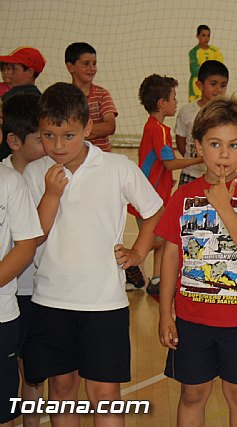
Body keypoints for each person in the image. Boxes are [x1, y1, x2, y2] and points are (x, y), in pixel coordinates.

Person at [21, 82, 163, 427]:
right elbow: (33, 237)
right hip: (51, 299)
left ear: (87, 129)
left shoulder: (117, 166)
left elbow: (155, 211)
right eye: (48, 136)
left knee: (104, 392)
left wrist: (139, 251)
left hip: (103, 302)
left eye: (68, 135)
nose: (57, 146)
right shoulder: (35, 173)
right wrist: (51, 195)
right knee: (62, 387)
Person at [157, 96, 237, 427]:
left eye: (234, 144)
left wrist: (223, 206)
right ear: (198, 146)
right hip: (192, 319)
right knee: (193, 395)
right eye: (215, 144)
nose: (224, 154)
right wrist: (166, 313)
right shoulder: (183, 196)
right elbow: (170, 255)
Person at [132, 74, 204, 295]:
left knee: (161, 239)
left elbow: (158, 163)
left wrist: (164, 178)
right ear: (162, 103)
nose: (176, 102)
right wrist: (200, 159)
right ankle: (131, 264)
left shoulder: (153, 126)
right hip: (148, 197)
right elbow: (169, 162)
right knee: (158, 239)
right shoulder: (159, 130)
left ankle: (157, 279)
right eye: (173, 97)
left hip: (151, 193)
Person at [1, 93, 46, 427]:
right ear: (15, 141)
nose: (48, 142)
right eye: (40, 136)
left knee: (33, 369)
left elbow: (34, 241)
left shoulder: (52, 173)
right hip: (12, 291)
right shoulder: (8, 178)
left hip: (38, 289)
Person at [176, 60, 229, 186]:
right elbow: (181, 141)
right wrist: (195, 160)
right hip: (191, 174)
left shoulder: (228, 113)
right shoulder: (187, 112)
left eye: (223, 85)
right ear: (199, 85)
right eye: (213, 84)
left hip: (218, 176)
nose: (218, 89)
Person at [65, 42, 118, 152]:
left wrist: (75, 133)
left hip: (102, 158)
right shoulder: (64, 96)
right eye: (86, 64)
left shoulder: (102, 94)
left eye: (94, 63)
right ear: (70, 67)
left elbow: (110, 126)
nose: (92, 68)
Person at [188, 24, 224, 102]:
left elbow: (219, 67)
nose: (206, 38)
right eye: (203, 35)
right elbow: (194, 70)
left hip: (212, 88)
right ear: (197, 36)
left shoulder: (215, 51)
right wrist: (211, 70)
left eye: (208, 36)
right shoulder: (193, 52)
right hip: (196, 89)